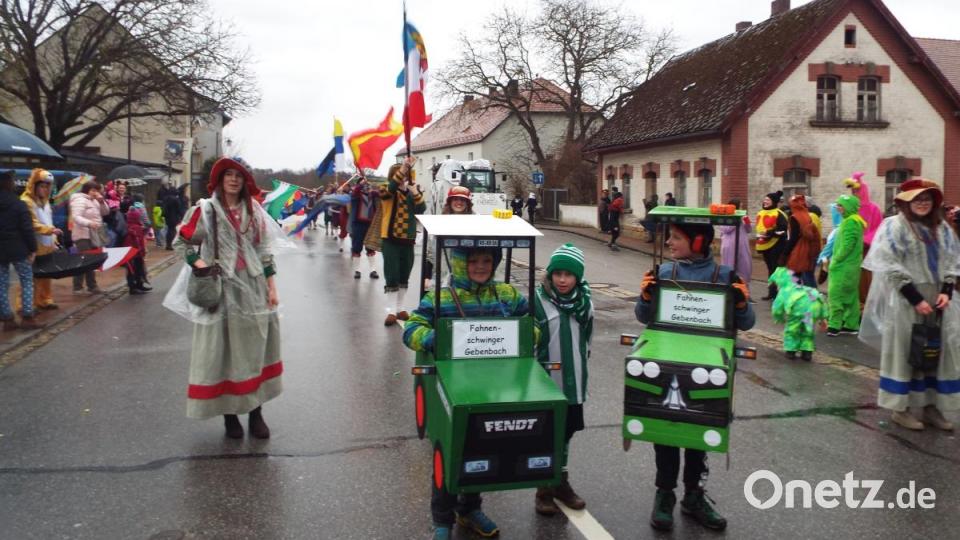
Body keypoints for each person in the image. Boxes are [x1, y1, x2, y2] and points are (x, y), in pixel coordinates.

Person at [403, 246, 529, 540]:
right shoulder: (441, 297)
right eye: (473, 261)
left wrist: (528, 334)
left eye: (487, 261)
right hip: (451, 389)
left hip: (492, 388)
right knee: (448, 455)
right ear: (460, 264)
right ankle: (442, 520)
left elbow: (531, 322)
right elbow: (411, 329)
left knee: (480, 450)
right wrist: (434, 337)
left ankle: (469, 509)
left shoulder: (507, 295)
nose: (481, 266)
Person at [636, 222, 753, 532]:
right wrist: (646, 297)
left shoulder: (726, 276)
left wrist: (741, 302)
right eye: (669, 237)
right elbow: (644, 317)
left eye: (676, 237)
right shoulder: (663, 274)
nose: (669, 242)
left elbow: (747, 321)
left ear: (698, 241)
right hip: (669, 365)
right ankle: (664, 494)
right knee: (665, 433)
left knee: (699, 435)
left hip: (708, 370)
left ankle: (694, 495)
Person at [166, 157, 284, 439]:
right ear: (220, 180)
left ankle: (256, 412)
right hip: (221, 287)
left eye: (239, 176)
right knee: (223, 353)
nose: (233, 180)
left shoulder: (254, 211)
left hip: (252, 287)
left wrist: (271, 286)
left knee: (256, 349)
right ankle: (230, 416)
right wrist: (199, 265)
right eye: (228, 175)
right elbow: (181, 243)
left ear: (245, 182)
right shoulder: (205, 210)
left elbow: (264, 250)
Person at [861, 179, 960, 431]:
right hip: (906, 300)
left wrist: (947, 290)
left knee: (938, 354)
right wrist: (915, 298)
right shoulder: (895, 226)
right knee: (906, 353)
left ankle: (931, 407)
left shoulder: (942, 228)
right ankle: (900, 408)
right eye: (917, 199)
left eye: (926, 199)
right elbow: (887, 263)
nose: (922, 203)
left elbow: (952, 260)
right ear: (906, 201)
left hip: (939, 299)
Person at [533, 244, 593, 515]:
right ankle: (544, 486)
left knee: (566, 431)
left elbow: (588, 337)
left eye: (569, 275)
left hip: (574, 377)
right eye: (557, 273)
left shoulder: (585, 302)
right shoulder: (539, 300)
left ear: (577, 277)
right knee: (546, 432)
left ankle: (561, 481)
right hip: (546, 378)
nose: (562, 280)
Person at [379, 156, 426, 326]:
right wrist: (404, 168)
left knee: (404, 275)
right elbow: (390, 189)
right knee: (392, 274)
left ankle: (401, 308)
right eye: (401, 175)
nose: (404, 177)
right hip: (390, 239)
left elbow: (422, 209)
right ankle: (391, 310)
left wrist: (415, 192)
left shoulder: (411, 192)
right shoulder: (385, 189)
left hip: (408, 239)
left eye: (406, 174)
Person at [0, 171, 40, 331]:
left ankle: (7, 318)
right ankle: (27, 317)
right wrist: (33, 248)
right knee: (26, 280)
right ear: (9, 184)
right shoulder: (18, 204)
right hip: (18, 249)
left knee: (2, 283)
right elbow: (27, 229)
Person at [20, 169, 62, 310]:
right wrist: (50, 231)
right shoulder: (26, 201)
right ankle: (25, 304)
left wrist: (53, 239)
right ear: (34, 186)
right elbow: (31, 223)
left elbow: (48, 221)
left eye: (47, 186)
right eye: (42, 186)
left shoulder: (45, 202)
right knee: (30, 276)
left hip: (46, 244)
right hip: (32, 244)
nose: (44, 189)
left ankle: (45, 299)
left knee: (45, 273)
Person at [826, 195, 866, 337]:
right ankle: (851, 324)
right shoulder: (852, 221)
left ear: (848, 207)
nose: (838, 208)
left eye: (841, 205)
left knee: (835, 294)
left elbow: (848, 245)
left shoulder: (851, 222)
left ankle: (834, 325)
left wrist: (836, 259)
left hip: (844, 266)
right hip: (850, 266)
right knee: (850, 296)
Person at [770, 267, 828, 361]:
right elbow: (819, 299)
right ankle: (807, 352)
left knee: (792, 329)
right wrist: (823, 317)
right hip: (813, 306)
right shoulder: (805, 288)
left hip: (798, 309)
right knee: (808, 329)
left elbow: (777, 308)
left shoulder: (785, 290)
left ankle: (791, 351)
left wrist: (778, 318)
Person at [844, 172, 883, 307]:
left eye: (857, 190)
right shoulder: (851, 209)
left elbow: (878, 230)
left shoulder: (874, 209)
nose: (854, 193)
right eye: (853, 190)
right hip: (851, 252)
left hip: (866, 252)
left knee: (865, 281)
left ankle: (865, 306)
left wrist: (864, 241)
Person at [69, 180, 109, 295]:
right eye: (93, 190)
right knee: (83, 260)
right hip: (82, 235)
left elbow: (105, 212)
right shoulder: (80, 200)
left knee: (92, 261)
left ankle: (92, 286)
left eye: (97, 190)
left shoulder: (95, 201)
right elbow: (76, 217)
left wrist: (102, 202)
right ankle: (77, 287)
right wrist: (89, 223)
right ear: (87, 190)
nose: (95, 193)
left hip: (94, 234)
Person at [779, 194, 821, 287]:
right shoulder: (806, 215)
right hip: (807, 249)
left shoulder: (795, 217)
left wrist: (785, 254)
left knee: (795, 277)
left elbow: (793, 238)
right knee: (806, 277)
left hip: (798, 251)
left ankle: (806, 298)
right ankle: (812, 298)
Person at [755, 190, 787, 300]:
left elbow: (782, 230)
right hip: (765, 245)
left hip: (776, 245)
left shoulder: (779, 214)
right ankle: (772, 293)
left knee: (775, 270)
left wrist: (769, 233)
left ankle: (779, 293)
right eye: (765, 199)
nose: (765, 201)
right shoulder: (761, 212)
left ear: (774, 202)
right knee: (770, 269)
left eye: (768, 200)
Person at [349, 177, 380, 280]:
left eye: (367, 185)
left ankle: (373, 270)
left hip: (370, 224)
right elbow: (356, 191)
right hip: (358, 224)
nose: (366, 186)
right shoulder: (355, 195)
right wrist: (361, 184)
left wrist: (374, 190)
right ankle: (357, 270)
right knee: (357, 248)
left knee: (370, 247)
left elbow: (380, 194)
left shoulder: (372, 195)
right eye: (364, 185)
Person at [122, 194, 151, 295]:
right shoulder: (135, 228)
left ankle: (139, 284)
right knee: (133, 270)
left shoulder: (135, 226)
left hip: (137, 254)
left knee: (139, 269)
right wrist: (141, 251)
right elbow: (138, 242)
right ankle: (133, 287)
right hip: (134, 254)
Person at [718, 198, 752, 283]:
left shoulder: (743, 217)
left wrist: (747, 222)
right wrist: (736, 220)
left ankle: (743, 288)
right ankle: (728, 285)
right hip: (730, 246)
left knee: (745, 266)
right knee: (729, 267)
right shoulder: (725, 216)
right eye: (740, 206)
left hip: (742, 245)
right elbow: (725, 229)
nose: (742, 208)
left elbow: (748, 230)